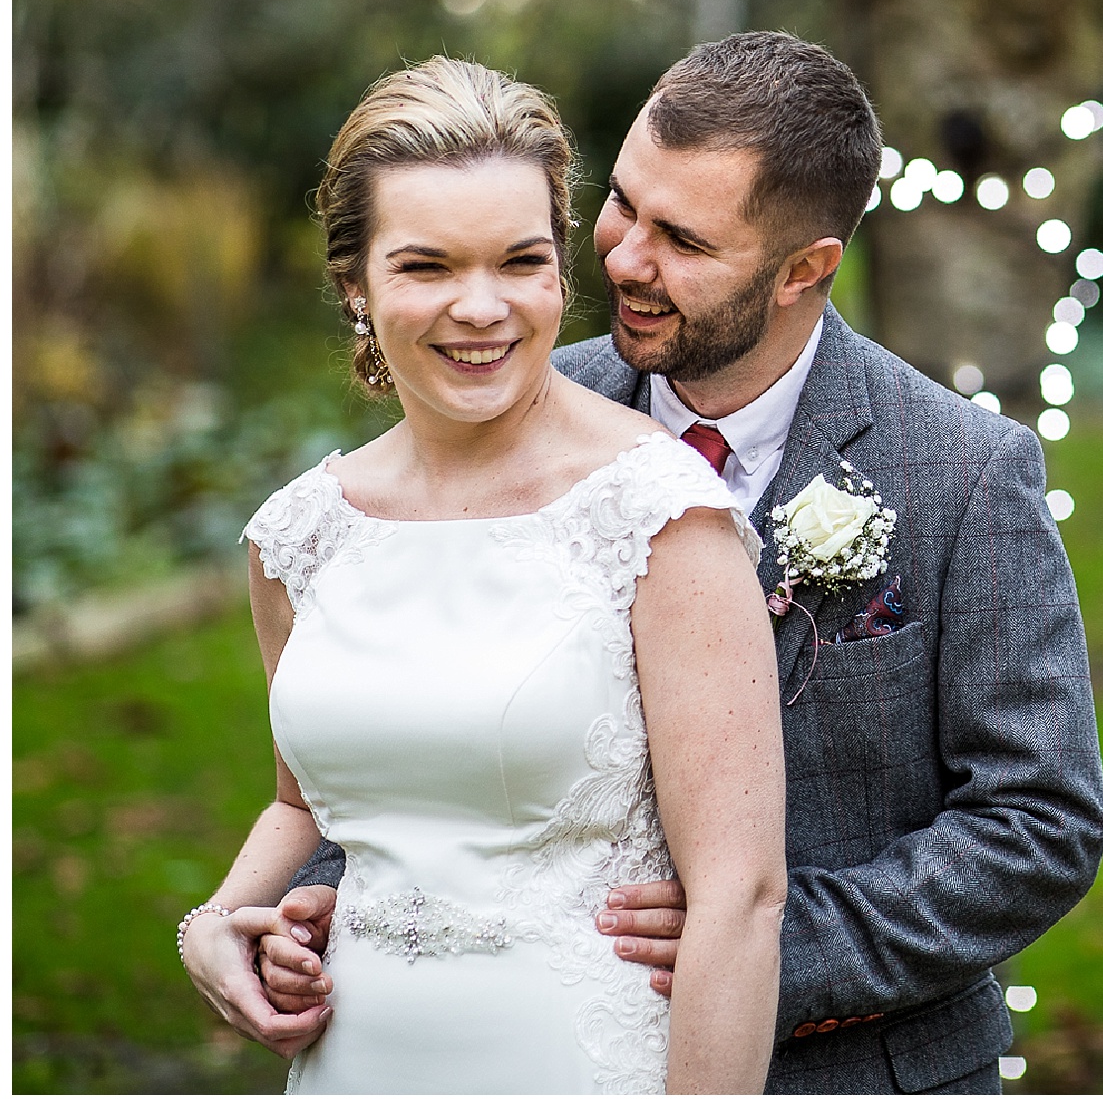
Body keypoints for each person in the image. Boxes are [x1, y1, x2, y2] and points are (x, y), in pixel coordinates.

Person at [254, 31, 1103, 1094]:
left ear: (804, 270)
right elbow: (419, 709)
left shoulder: (962, 471)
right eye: (622, 203)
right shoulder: (503, 394)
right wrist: (330, 894)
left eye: (683, 241)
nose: (620, 258)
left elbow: (1040, 823)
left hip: (855, 1068)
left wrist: (763, 939)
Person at [177, 58, 788, 1093]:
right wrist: (216, 923)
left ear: (560, 270)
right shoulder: (298, 536)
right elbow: (305, 801)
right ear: (356, 287)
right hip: (353, 1064)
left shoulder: (657, 513)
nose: (482, 306)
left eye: (520, 260)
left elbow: (743, 896)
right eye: (427, 266)